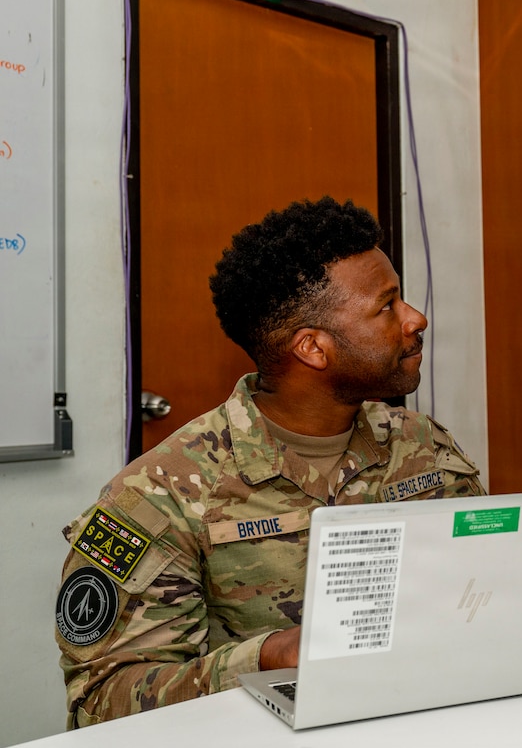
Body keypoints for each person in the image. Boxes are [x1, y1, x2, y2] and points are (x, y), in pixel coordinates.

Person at [54, 198, 485, 727]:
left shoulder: (422, 445)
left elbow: (480, 593)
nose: (415, 318)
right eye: (386, 306)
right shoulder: (158, 495)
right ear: (313, 348)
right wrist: (265, 658)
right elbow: (102, 702)